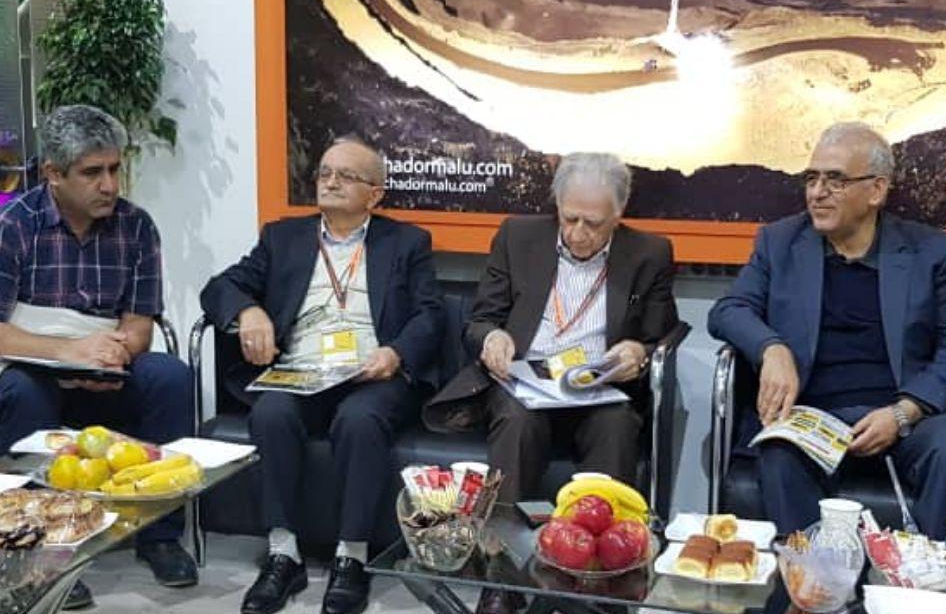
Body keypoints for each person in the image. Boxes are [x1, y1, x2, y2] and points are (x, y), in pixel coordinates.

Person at [707, 122, 946, 540]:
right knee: (779, 450)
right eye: (811, 178)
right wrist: (772, 348)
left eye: (835, 180)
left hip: (909, 413)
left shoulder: (932, 252)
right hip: (814, 416)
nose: (817, 192)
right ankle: (808, 578)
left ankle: (939, 578)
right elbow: (728, 310)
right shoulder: (780, 242)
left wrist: (904, 412)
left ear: (876, 190)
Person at [201, 135, 444, 614]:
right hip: (301, 371)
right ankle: (282, 553)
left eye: (345, 176)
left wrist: (396, 353)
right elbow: (220, 287)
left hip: (372, 373)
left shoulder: (406, 242)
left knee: (359, 420)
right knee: (270, 413)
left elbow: (430, 313)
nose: (330, 182)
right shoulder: (283, 238)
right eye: (325, 173)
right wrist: (249, 311)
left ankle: (351, 557)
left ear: (374, 194)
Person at [426, 152, 678, 614]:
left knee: (618, 425)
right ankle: (502, 579)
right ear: (557, 206)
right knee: (517, 422)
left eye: (593, 224)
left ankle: (602, 588)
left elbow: (658, 334)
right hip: (526, 382)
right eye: (570, 218)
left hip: (597, 387)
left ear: (618, 214)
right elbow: (481, 319)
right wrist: (493, 338)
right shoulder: (518, 237)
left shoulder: (650, 253)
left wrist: (638, 353)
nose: (579, 233)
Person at [0, 105, 197, 607]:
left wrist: (111, 356)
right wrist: (69, 353)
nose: (109, 185)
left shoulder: (137, 226)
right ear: (53, 174)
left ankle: (160, 536)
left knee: (170, 376)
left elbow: (139, 327)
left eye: (114, 169)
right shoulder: (13, 227)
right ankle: (44, 551)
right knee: (22, 391)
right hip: (34, 369)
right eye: (92, 173)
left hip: (106, 366)